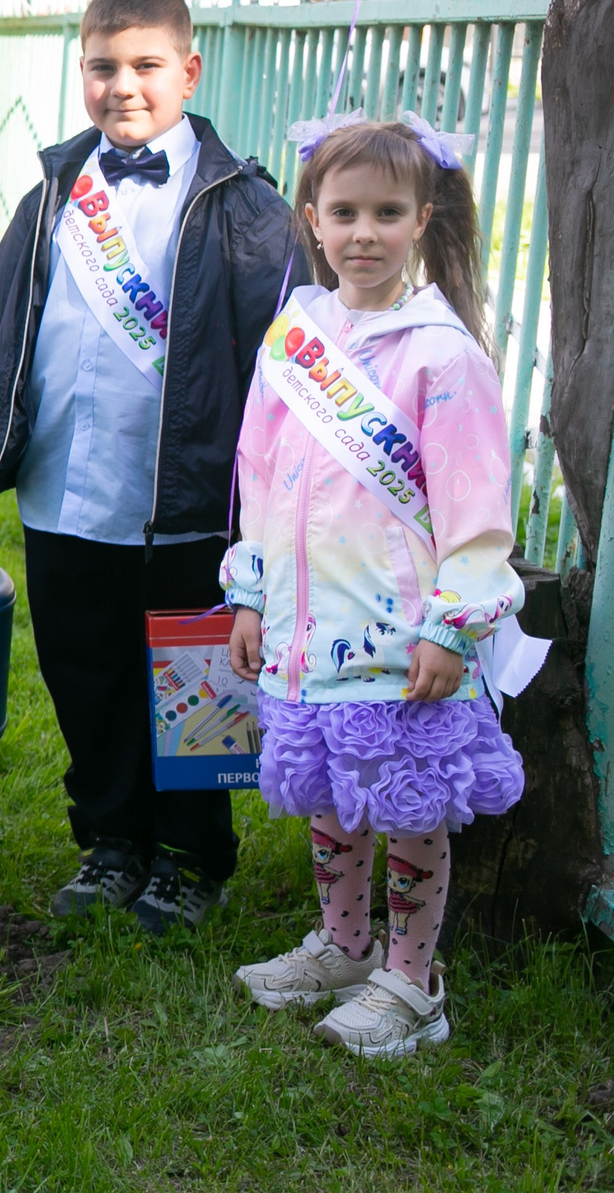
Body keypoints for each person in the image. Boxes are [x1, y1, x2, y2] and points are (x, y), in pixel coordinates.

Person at [0, 0, 300, 933]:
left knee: (191, 680)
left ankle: (191, 855)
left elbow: (282, 366)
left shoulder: (244, 208)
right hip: (65, 495)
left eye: (145, 66)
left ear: (189, 69)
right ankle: (111, 841)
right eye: (103, 67)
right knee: (85, 673)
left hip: (184, 503)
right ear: (81, 72)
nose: (122, 86)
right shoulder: (52, 195)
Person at [222, 113, 526, 1056]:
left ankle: (413, 979)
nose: (363, 233)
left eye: (386, 213)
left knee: (409, 807)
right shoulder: (295, 338)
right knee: (330, 797)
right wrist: (251, 590)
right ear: (311, 217)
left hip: (403, 641)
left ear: (422, 219)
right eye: (344, 211)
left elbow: (476, 509)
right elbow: (258, 477)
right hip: (308, 633)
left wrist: (453, 623)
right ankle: (346, 946)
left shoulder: (443, 355)